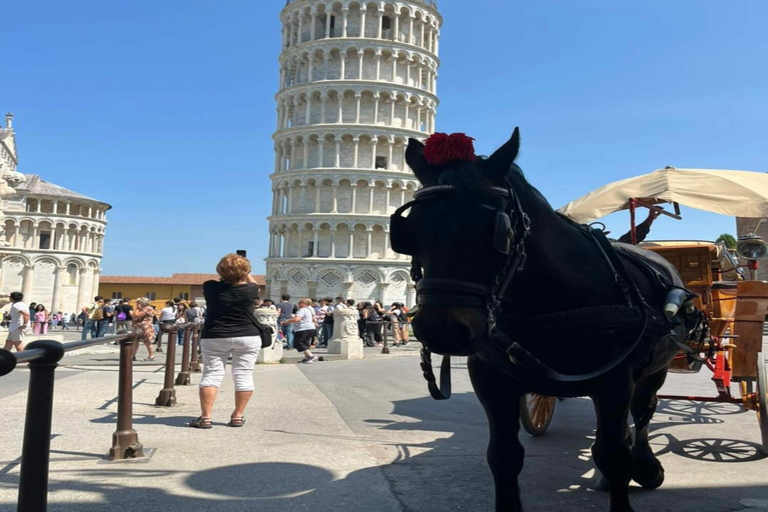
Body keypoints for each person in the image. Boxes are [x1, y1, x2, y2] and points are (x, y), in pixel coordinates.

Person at [190, 253, 262, 429]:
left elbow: (221, 280)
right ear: (246, 271)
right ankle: (237, 416)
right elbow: (253, 284)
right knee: (244, 374)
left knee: (211, 375)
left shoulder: (210, 287)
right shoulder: (251, 290)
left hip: (216, 335)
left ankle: (206, 417)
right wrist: (244, 271)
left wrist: (229, 273)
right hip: (247, 335)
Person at [281, 298, 319, 363]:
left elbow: (297, 319)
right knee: (305, 343)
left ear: (305, 304)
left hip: (303, 328)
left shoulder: (302, 310)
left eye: (300, 303)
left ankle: (310, 356)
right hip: (310, 328)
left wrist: (286, 321)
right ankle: (307, 357)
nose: (299, 304)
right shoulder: (308, 310)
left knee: (298, 342)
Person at [131, 297, 157, 361]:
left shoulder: (148, 308)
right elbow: (134, 315)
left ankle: (151, 355)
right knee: (135, 341)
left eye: (138, 302)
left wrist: (138, 308)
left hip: (146, 327)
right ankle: (133, 355)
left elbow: (137, 315)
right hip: (138, 327)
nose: (136, 304)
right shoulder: (141, 309)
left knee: (147, 341)